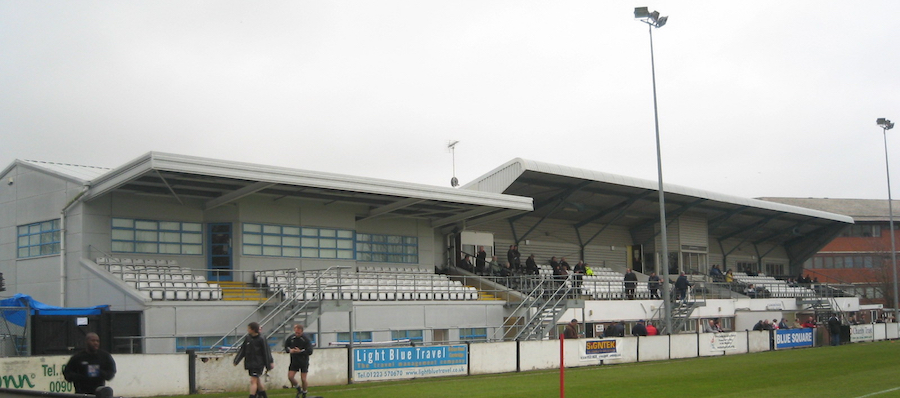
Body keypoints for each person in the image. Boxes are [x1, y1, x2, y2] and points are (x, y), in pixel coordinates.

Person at [234, 322, 274, 398]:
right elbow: (243, 350)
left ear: (253, 329)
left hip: (258, 363)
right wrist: (237, 360)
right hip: (250, 363)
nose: (247, 330)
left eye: (248, 328)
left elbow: (266, 352)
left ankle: (252, 396)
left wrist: (269, 363)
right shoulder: (248, 338)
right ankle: (264, 396)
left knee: (253, 381)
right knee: (257, 381)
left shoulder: (261, 339)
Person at [284, 324, 313, 397]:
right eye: (296, 332)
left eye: (299, 333)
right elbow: (286, 346)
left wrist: (300, 351)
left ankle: (304, 392)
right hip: (294, 361)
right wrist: (290, 350)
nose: (297, 334)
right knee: (290, 377)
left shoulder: (306, 339)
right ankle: (298, 388)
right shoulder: (291, 338)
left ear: (302, 331)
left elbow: (310, 351)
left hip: (303, 361)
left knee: (303, 379)